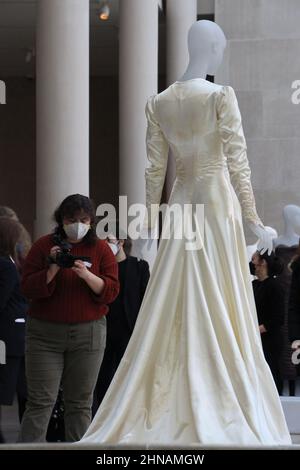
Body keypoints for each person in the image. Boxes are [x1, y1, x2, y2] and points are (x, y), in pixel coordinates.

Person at [81, 21, 291, 445]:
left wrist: (151, 224)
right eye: (221, 48)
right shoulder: (218, 97)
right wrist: (254, 219)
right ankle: (219, 393)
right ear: (212, 47)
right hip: (214, 203)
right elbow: (238, 162)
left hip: (181, 205)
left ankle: (173, 394)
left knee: (176, 296)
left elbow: (155, 170)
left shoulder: (158, 102)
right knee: (215, 293)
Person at [18, 194, 119, 442]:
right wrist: (52, 266)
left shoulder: (101, 249)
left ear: (92, 221)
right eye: (72, 219)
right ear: (61, 220)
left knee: (80, 403)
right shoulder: (43, 247)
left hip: (88, 333)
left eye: (84, 219)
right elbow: (27, 289)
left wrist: (86, 274)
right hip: (44, 334)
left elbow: (111, 291)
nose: (77, 225)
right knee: (41, 402)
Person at [92, 230, 150, 413]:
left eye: (108, 240)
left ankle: (125, 414)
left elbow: (146, 298)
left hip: (129, 328)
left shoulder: (139, 266)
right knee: (103, 377)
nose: (105, 245)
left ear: (121, 242)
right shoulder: (98, 269)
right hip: (103, 327)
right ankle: (100, 416)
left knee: (127, 375)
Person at [0, 217, 28, 443]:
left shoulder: (9, 262)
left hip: (12, 339)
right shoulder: (6, 266)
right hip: (10, 339)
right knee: (15, 390)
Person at [251, 251, 285, 394]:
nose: (252, 262)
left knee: (271, 372)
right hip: (256, 338)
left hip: (270, 341)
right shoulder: (253, 285)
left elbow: (278, 318)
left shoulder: (275, 286)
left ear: (263, 263)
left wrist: (255, 329)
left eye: (254, 259)